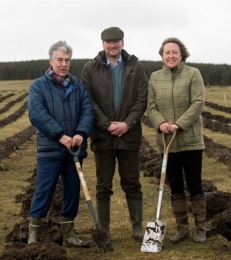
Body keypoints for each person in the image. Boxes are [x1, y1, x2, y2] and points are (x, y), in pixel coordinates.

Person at [82, 27, 148, 242]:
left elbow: (141, 99)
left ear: (122, 42)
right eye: (109, 42)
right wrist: (106, 124)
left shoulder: (135, 67)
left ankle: (138, 228)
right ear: (102, 44)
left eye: (117, 41)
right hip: (103, 137)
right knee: (103, 184)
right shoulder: (90, 68)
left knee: (132, 182)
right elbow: (88, 101)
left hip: (129, 136)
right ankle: (104, 230)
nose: (113, 45)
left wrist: (127, 124)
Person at [27, 40, 94, 247]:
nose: (64, 64)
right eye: (60, 60)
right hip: (51, 149)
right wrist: (60, 135)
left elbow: (87, 110)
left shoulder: (77, 85)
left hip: (74, 149)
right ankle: (33, 235)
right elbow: (37, 114)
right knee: (44, 190)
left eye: (67, 60)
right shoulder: (39, 85)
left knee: (73, 191)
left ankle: (69, 234)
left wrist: (81, 134)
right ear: (51, 61)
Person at [146, 37, 207, 243]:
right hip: (166, 142)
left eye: (174, 52)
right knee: (175, 186)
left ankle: (200, 228)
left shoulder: (193, 74)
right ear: (162, 56)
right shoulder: (154, 77)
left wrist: (179, 124)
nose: (170, 56)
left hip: (189, 139)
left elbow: (198, 102)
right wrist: (161, 123)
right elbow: (151, 107)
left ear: (182, 54)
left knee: (194, 183)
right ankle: (182, 228)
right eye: (166, 53)